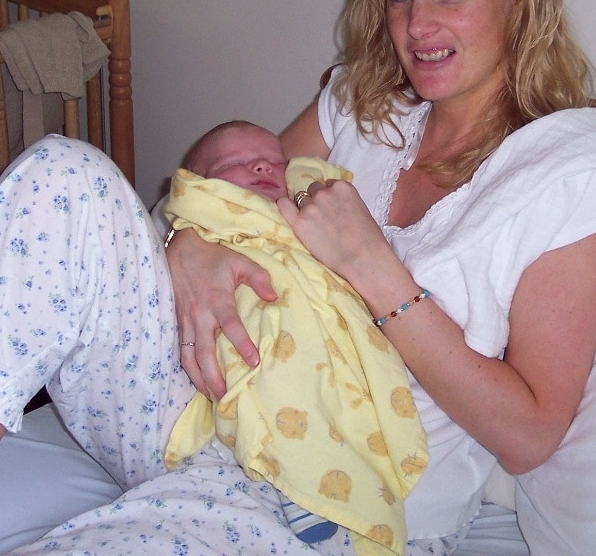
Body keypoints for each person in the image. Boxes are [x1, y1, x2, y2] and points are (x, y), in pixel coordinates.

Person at [0, 0, 596, 556]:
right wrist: (187, 239)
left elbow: (528, 436)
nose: (417, 27)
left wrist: (371, 267)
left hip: (326, 498)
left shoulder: (571, 174)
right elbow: (231, 191)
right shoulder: (365, 111)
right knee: (66, 172)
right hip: (195, 406)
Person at [164, 120, 428, 551]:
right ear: (203, 185)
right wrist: (184, 235)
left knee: (322, 388)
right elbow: (180, 215)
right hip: (250, 329)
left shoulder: (313, 211)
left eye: (274, 163)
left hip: (312, 332)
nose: (263, 170)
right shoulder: (207, 223)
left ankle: (326, 487)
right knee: (269, 376)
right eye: (236, 164)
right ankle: (297, 485)